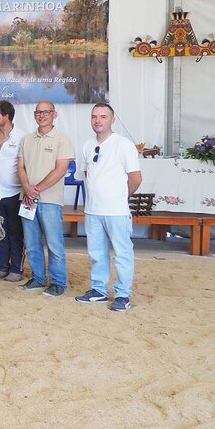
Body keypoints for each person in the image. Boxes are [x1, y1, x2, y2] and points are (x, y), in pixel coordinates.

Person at [75, 103, 143, 312]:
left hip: (116, 211)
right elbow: (87, 174)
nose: (98, 120)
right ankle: (99, 290)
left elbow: (136, 178)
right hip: (93, 210)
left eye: (103, 116)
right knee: (97, 253)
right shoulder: (87, 145)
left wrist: (120, 197)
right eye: (94, 116)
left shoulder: (124, 145)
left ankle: (123, 294)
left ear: (112, 120)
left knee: (122, 253)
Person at [18, 100, 75, 297]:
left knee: (54, 243)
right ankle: (38, 278)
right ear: (34, 115)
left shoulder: (62, 139)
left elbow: (61, 170)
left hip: (50, 200)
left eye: (46, 112)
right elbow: (20, 167)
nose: (42, 116)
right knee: (31, 243)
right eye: (38, 112)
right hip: (27, 200)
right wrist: (27, 188)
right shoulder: (26, 139)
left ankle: (58, 282)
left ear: (54, 115)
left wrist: (36, 190)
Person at [0, 100, 27, 282]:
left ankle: (16, 269)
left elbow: (26, 166)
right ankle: (2, 267)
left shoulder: (22, 137)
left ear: (6, 116)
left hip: (15, 194)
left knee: (15, 232)